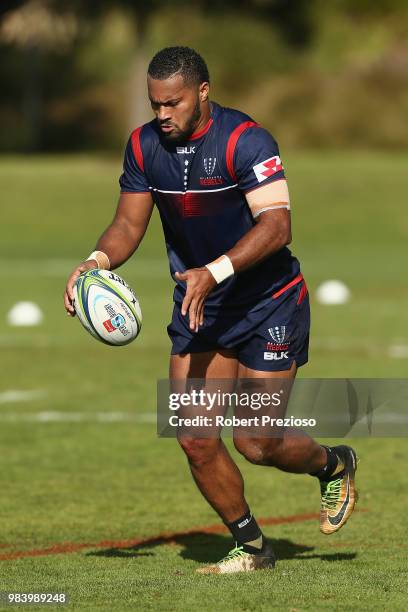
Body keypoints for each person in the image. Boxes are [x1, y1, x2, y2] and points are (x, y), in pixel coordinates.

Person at [64, 46, 358, 574]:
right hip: (201, 308)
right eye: (155, 104)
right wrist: (94, 262)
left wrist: (215, 270)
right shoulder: (143, 146)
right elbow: (129, 225)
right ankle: (251, 546)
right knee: (196, 438)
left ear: (203, 91)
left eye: (172, 103)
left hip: (269, 303)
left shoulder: (246, 141)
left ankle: (333, 463)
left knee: (256, 441)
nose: (162, 115)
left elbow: (277, 226)